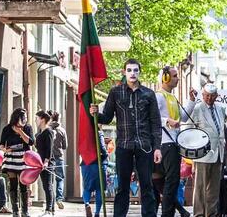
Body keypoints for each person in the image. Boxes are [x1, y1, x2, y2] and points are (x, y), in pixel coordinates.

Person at [90, 58, 163, 217]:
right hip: (124, 145)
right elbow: (107, 118)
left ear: (139, 72)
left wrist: (157, 147)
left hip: (145, 146)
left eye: (135, 70)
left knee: (147, 186)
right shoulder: (115, 92)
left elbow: (156, 123)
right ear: (124, 72)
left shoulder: (149, 94)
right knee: (122, 187)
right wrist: (96, 113)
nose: (132, 73)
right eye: (129, 70)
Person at [184, 83, 227, 217]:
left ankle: (211, 213)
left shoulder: (220, 109)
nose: (209, 98)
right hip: (203, 154)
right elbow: (189, 130)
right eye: (207, 95)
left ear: (216, 96)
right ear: (203, 95)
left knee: (214, 188)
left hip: (218, 152)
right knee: (200, 187)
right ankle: (199, 214)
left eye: (212, 96)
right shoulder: (197, 109)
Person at [155, 64, 192, 217]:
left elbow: (182, 118)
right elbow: (153, 116)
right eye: (175, 76)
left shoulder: (172, 98)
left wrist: (191, 101)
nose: (177, 79)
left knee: (167, 183)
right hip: (166, 143)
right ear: (165, 78)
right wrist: (167, 121)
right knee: (170, 182)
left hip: (172, 143)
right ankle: (168, 214)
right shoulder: (159, 96)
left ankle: (176, 212)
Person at [0, 108, 35, 217]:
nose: (25, 119)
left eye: (25, 117)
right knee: (13, 183)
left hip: (23, 158)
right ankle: (15, 210)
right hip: (11, 158)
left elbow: (31, 142)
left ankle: (25, 211)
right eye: (23, 117)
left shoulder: (27, 127)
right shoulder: (7, 129)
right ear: (16, 117)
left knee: (23, 183)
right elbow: (1, 144)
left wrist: (20, 131)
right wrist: (5, 150)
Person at [81, 127, 109, 217]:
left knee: (86, 188)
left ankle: (87, 204)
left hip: (86, 163)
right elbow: (102, 148)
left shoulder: (84, 133)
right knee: (99, 189)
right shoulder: (98, 133)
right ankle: (97, 213)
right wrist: (106, 154)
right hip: (98, 163)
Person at [35, 110, 57, 215]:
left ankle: (49, 209)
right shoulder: (40, 132)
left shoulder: (48, 132)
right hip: (40, 163)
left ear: (42, 119)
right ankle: (51, 209)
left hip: (47, 163)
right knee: (46, 186)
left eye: (37, 118)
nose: (36, 120)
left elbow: (49, 148)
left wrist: (46, 162)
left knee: (48, 185)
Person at [49, 111, 67, 209]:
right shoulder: (62, 131)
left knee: (50, 180)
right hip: (59, 157)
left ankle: (50, 202)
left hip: (49, 157)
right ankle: (59, 199)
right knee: (60, 179)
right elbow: (65, 146)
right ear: (58, 118)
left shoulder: (48, 130)